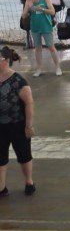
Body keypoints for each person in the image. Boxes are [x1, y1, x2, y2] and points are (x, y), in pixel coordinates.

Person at [0, 46, 36, 198]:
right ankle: (1, 187)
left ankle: (29, 182)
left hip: (18, 124)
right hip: (0, 126)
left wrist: (29, 126)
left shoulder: (18, 80)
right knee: (0, 158)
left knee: (24, 155)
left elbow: (29, 104)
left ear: (6, 61)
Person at [21, 0, 61, 77]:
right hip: (35, 27)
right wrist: (29, 8)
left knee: (51, 47)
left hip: (46, 26)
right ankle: (39, 69)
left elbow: (52, 12)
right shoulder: (28, 0)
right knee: (38, 48)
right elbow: (23, 16)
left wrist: (41, 10)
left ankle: (58, 67)